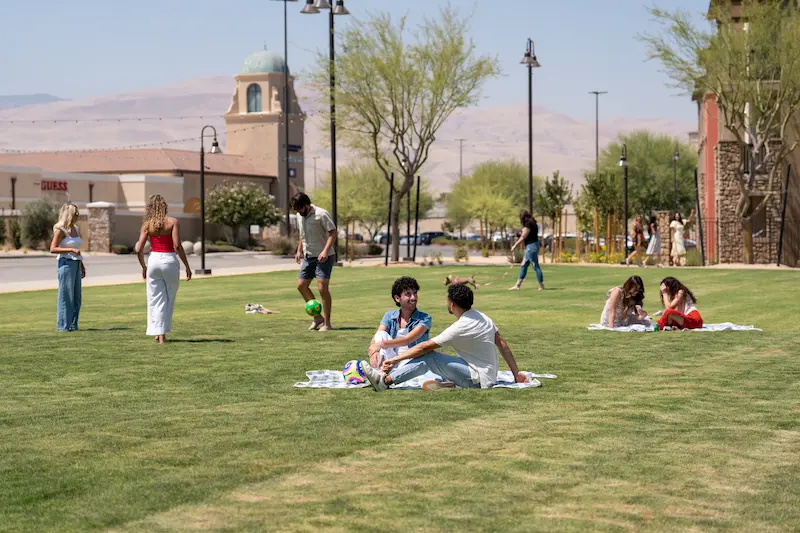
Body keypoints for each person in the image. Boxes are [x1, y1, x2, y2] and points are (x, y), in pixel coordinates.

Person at [360, 284, 529, 392]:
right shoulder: (482, 317)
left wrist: (395, 359)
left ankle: (385, 381)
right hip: (484, 374)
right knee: (439, 361)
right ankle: (447, 385)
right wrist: (516, 374)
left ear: (453, 305)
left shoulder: (460, 327)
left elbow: (425, 347)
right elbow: (503, 344)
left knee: (429, 357)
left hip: (478, 380)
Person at [135, 194, 192, 344]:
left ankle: (158, 332)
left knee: (155, 299)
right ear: (165, 206)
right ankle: (161, 335)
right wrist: (187, 266)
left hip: (153, 260)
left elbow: (138, 248)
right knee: (168, 298)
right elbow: (177, 246)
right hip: (169, 260)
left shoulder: (147, 225)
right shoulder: (173, 222)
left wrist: (143, 266)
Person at [292, 192, 336, 331]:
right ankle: (317, 317)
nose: (298, 211)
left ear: (306, 204)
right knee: (301, 286)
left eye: (299, 208)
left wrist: (325, 251)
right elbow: (302, 235)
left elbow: (333, 233)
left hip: (324, 256)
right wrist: (299, 250)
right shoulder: (300, 216)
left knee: (322, 289)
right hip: (308, 256)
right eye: (296, 209)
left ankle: (327, 323)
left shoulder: (322, 214)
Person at [367, 276, 432, 368]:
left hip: (413, 360)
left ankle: (381, 373)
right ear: (397, 298)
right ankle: (380, 369)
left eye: (415, 293)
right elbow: (377, 337)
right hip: (392, 359)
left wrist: (380, 344)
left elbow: (407, 340)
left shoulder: (425, 318)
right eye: (408, 294)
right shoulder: (389, 316)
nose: (413, 298)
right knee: (381, 334)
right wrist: (374, 352)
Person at [50, 203, 86, 331]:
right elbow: (53, 249)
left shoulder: (75, 228)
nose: (78, 216)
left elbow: (77, 249)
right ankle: (63, 326)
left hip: (76, 263)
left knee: (77, 297)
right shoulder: (61, 229)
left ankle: (73, 325)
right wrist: (70, 249)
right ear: (69, 214)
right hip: (65, 263)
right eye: (75, 214)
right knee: (66, 296)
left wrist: (81, 264)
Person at [509, 210, 544, 291]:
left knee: (535, 265)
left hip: (531, 247)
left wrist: (515, 245)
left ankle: (541, 285)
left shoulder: (528, 224)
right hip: (533, 245)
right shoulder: (533, 222)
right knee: (524, 265)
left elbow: (523, 236)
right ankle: (517, 285)